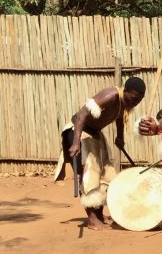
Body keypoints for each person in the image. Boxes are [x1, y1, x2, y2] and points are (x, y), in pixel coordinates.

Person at [58, 77, 146, 230]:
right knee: (89, 173)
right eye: (133, 98)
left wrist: (120, 137)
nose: (134, 103)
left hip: (94, 133)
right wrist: (76, 141)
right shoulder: (111, 95)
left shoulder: (124, 103)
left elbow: (119, 117)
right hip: (79, 130)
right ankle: (92, 218)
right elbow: (82, 114)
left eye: (138, 100)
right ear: (125, 91)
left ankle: (99, 214)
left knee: (106, 174)